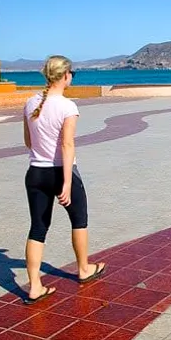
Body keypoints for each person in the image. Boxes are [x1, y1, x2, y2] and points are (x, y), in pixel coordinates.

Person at [21, 55, 106, 304]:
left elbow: (28, 142)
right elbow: (68, 145)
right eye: (73, 74)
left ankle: (35, 286)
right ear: (66, 75)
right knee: (79, 220)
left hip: (35, 172)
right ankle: (83, 269)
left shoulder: (30, 103)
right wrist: (67, 183)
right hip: (60, 171)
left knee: (38, 227)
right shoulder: (68, 107)